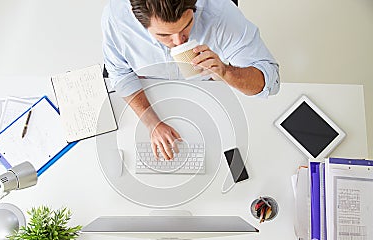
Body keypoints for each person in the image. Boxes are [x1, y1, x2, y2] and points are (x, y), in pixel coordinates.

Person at [102, 0, 280, 160]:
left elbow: (269, 79)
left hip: (207, 98)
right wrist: (152, 123)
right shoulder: (117, 18)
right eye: (165, 35)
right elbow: (120, 74)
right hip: (149, 98)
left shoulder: (220, 12)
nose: (179, 41)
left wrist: (226, 72)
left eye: (187, 25)